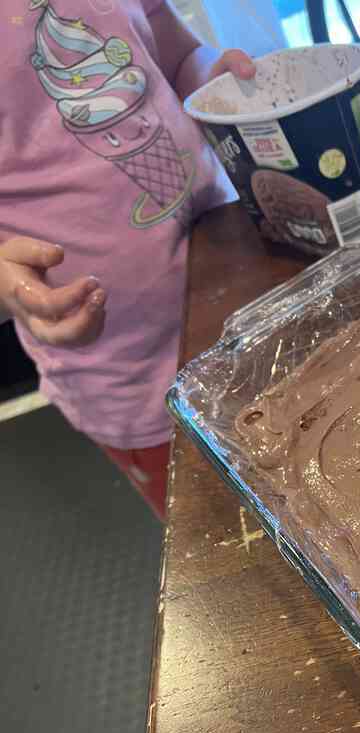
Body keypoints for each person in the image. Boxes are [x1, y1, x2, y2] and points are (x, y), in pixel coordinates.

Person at [0, 0, 255, 519]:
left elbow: (173, 52)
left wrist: (211, 75)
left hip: (240, 283)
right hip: (134, 379)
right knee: (225, 535)